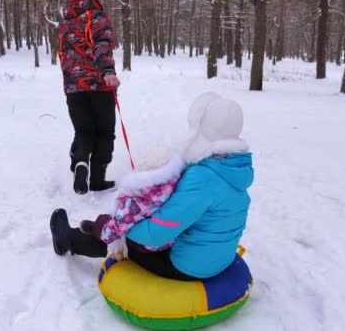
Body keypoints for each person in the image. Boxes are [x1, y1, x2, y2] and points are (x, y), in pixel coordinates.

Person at [50, 93, 254, 281]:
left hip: (187, 266)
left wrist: (121, 225)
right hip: (218, 258)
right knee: (130, 221)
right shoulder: (234, 168)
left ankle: (69, 240)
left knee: (125, 235)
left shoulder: (203, 178)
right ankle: (91, 230)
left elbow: (157, 234)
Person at [59, 0, 120, 194]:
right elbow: (102, 44)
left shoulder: (66, 22)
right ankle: (96, 180)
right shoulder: (96, 15)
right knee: (104, 132)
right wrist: (107, 71)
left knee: (83, 131)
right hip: (99, 85)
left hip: (73, 89)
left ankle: (80, 163)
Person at [79, 148, 186, 254]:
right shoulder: (173, 184)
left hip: (147, 245)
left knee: (116, 221)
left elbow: (121, 224)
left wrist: (103, 233)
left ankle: (97, 229)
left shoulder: (138, 200)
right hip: (169, 238)